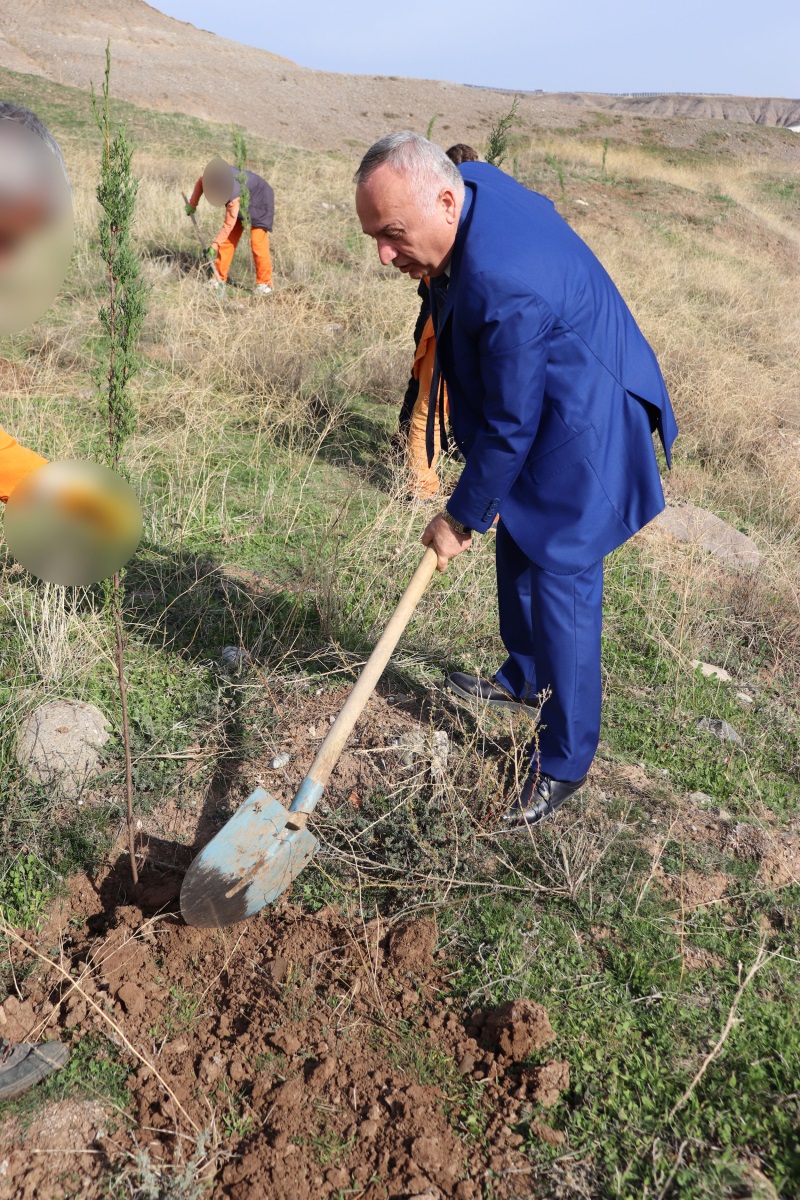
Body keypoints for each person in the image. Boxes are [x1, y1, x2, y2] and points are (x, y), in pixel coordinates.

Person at [355, 132, 678, 828]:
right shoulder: (470, 188)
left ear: (444, 201)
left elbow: (511, 425)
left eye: (393, 234)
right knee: (517, 549)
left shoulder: (505, 280)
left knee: (560, 577)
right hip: (548, 394)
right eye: (374, 236)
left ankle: (565, 760)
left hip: (585, 422)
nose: (383, 255)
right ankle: (525, 677)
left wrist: (458, 516)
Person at [398, 144, 479, 499]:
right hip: (444, 326)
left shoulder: (455, 221)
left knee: (429, 404)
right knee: (427, 405)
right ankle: (420, 485)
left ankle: (426, 478)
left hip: (449, 324)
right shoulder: (466, 223)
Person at [186, 158, 274, 293]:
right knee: (227, 242)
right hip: (244, 196)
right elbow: (200, 183)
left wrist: (214, 246)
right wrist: (192, 205)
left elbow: (229, 224)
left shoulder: (233, 194)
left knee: (257, 242)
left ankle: (265, 284)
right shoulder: (211, 178)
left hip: (260, 198)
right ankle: (218, 279)